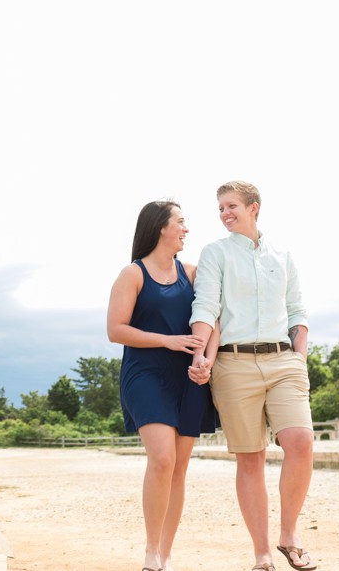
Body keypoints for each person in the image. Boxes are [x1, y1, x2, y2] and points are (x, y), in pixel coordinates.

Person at [189, 181, 316, 571]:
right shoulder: (215, 253)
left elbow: (297, 310)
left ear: (253, 207)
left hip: (284, 362)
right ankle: (261, 553)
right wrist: (199, 355)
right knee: (251, 459)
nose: (225, 214)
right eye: (220, 209)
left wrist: (300, 358)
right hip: (233, 365)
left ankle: (289, 536)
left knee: (301, 442)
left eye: (231, 206)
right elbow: (207, 305)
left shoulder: (284, 255)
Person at [107, 199, 218, 571]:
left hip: (189, 378)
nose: (186, 229)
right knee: (162, 458)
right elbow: (115, 330)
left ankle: (167, 556)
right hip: (146, 375)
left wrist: (207, 361)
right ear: (160, 228)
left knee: (179, 467)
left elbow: (212, 320)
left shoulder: (193, 272)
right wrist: (168, 340)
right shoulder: (132, 274)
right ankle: (151, 552)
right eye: (181, 222)